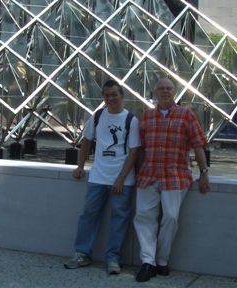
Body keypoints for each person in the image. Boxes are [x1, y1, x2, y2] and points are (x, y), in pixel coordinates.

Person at [133, 77, 210, 282]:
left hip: (175, 176)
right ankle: (147, 262)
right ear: (155, 92)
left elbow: (198, 145)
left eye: (168, 88)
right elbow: (140, 149)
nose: (165, 91)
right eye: (161, 88)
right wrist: (136, 172)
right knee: (143, 217)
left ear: (174, 91)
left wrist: (204, 173)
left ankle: (162, 259)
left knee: (171, 217)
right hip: (148, 175)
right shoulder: (146, 117)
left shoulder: (186, 115)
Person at [64, 79, 140, 275]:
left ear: (122, 95)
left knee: (119, 219)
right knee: (88, 215)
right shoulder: (97, 117)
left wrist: (121, 178)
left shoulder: (131, 120)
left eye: (114, 94)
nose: (111, 98)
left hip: (122, 179)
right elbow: (86, 142)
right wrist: (80, 166)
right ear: (104, 98)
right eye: (107, 95)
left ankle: (113, 258)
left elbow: (134, 152)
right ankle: (82, 253)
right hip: (98, 176)